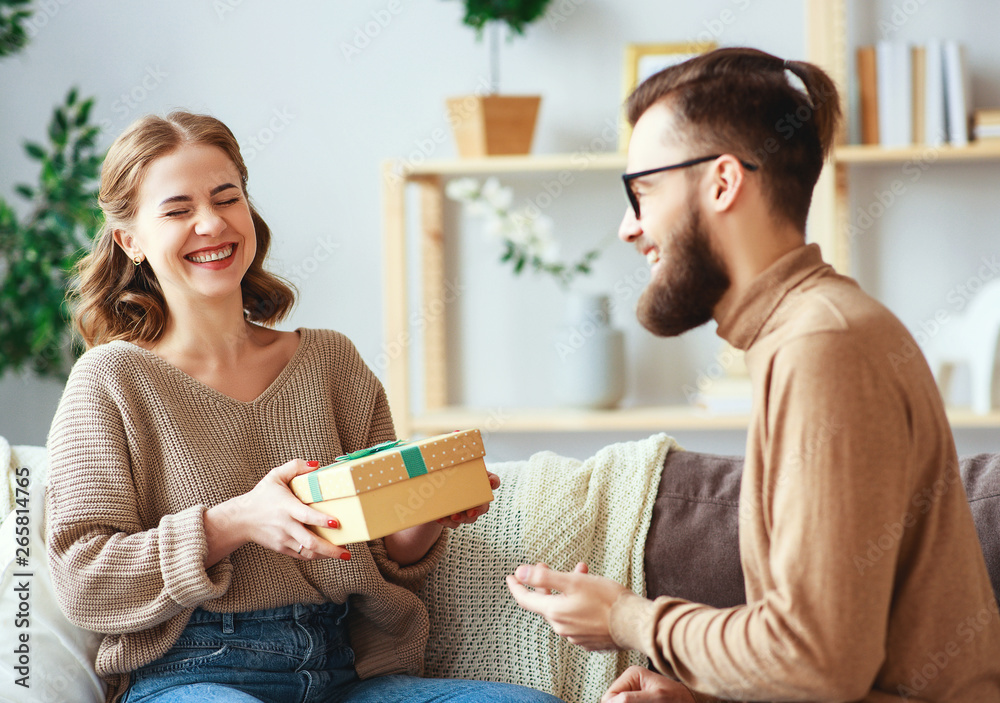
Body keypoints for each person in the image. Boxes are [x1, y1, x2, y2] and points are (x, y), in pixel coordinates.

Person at [506, 47, 1000, 702]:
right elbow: (838, 655)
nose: (628, 227)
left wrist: (628, 616)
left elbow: (818, 662)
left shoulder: (824, 346)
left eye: (640, 191)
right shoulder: (801, 336)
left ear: (722, 183)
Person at [46, 111, 564, 703]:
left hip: (345, 671)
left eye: (226, 198)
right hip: (195, 673)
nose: (211, 223)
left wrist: (425, 510)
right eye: (178, 209)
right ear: (130, 239)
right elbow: (84, 581)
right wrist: (237, 521)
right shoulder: (110, 381)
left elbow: (384, 553)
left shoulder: (330, 362)